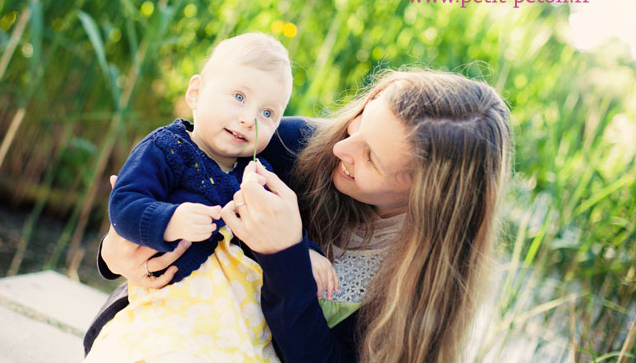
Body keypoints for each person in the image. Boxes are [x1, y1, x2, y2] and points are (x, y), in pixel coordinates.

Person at [88, 69, 512, 363]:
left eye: (372, 159)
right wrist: (113, 253)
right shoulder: (287, 144)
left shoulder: (424, 282)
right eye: (358, 122)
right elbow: (162, 176)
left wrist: (285, 255)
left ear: (426, 199)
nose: (342, 149)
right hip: (162, 336)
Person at [85, 32, 337, 363]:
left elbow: (281, 223)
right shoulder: (167, 148)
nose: (249, 119)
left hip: (238, 324)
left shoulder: (258, 172)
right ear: (196, 92)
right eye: (238, 96)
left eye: (267, 114)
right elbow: (125, 204)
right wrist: (169, 221)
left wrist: (306, 252)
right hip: (173, 305)